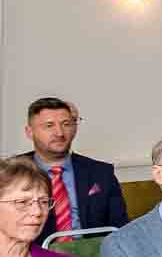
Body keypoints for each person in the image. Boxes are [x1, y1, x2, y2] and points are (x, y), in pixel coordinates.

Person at [22, 97, 129, 233]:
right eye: (49, 126)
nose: (59, 133)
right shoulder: (10, 173)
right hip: (33, 252)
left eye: (66, 124)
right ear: (29, 132)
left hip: (90, 251)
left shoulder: (102, 173)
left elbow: (120, 228)